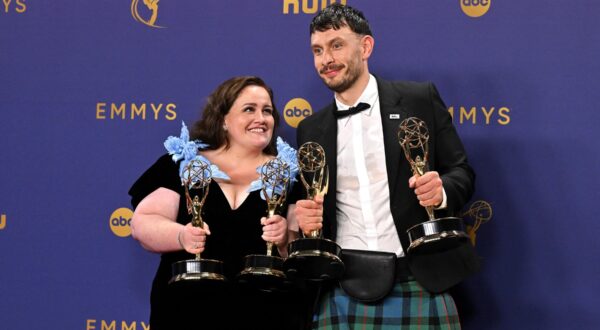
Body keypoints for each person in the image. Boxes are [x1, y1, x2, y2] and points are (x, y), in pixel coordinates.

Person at [294, 4, 480, 329]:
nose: (326, 59)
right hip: (342, 284)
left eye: (337, 45)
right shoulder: (310, 129)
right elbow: (316, 208)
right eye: (318, 50)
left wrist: (441, 192)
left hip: (419, 278)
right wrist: (307, 220)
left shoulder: (418, 99)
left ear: (365, 47)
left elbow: (461, 172)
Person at [129, 76, 310, 330]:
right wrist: (181, 235)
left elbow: (298, 254)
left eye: (267, 111)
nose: (261, 118)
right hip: (185, 313)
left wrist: (283, 239)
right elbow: (142, 224)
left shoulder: (290, 172)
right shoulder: (183, 162)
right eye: (249, 109)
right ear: (223, 119)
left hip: (269, 316)